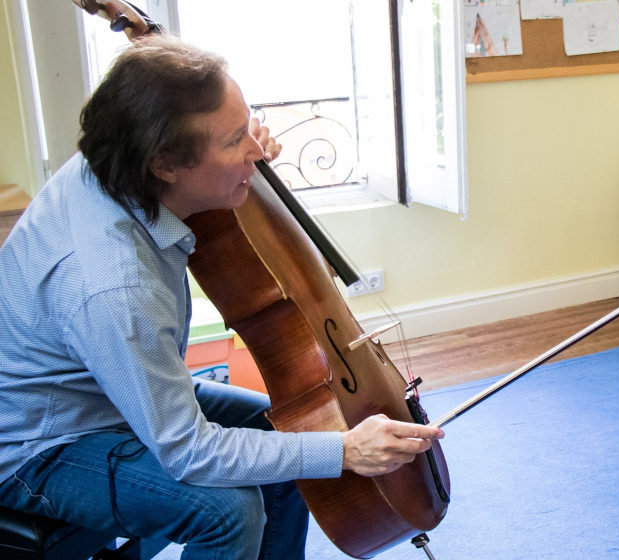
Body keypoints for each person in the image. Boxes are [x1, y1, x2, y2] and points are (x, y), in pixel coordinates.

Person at [0, 34, 443, 559]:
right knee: (229, 512)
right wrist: (345, 450)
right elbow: (189, 454)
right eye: (236, 140)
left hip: (105, 390)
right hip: (42, 443)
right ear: (165, 163)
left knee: (289, 432)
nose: (258, 150)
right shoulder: (115, 284)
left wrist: (240, 159)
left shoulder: (120, 158)